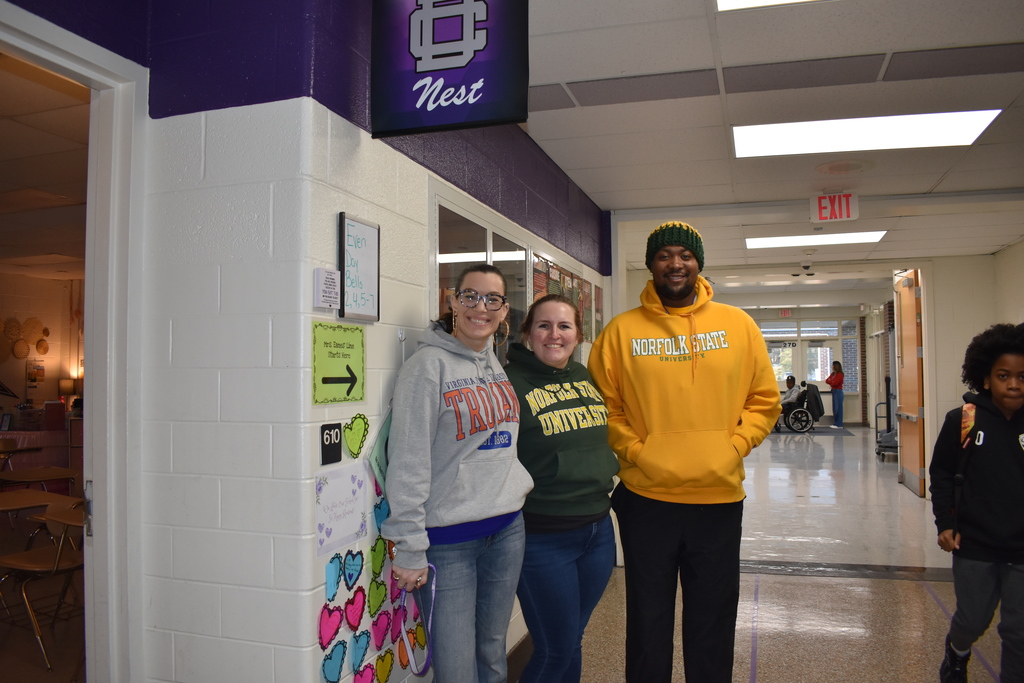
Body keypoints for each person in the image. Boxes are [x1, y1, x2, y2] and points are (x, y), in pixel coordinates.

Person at [588, 221, 781, 683]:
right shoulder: (620, 332)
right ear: (651, 265)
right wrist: (639, 450)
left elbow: (764, 401)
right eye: (664, 255)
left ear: (698, 263)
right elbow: (604, 407)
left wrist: (732, 447)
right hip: (646, 498)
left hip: (717, 499)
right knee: (647, 619)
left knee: (713, 620)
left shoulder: (739, 325)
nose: (676, 264)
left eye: (685, 255)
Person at [381, 264, 534, 683]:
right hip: (450, 543)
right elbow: (408, 462)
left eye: (492, 300)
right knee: (456, 667)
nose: (479, 308)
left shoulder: (494, 364)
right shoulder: (427, 368)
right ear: (452, 301)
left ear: (504, 311)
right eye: (470, 296)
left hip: (506, 530)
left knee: (492, 652)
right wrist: (409, 547)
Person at [504, 294, 619, 683]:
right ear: (527, 333)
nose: (555, 335)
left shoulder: (584, 376)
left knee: (573, 640)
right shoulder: (510, 385)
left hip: (598, 531)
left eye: (564, 326)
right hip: (542, 536)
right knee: (554, 650)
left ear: (578, 335)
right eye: (544, 325)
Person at [929, 323, 1024, 683]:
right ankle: (957, 650)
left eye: (1022, 376)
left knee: (1018, 631)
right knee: (973, 620)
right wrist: (945, 523)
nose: (1013, 384)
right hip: (974, 544)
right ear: (986, 378)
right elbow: (940, 474)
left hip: (1022, 547)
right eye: (1003, 375)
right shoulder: (964, 421)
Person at [825, 360, 845, 428]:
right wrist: (832, 382)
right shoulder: (833, 374)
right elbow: (827, 380)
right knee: (835, 408)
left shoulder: (840, 375)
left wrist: (832, 382)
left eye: (833, 365)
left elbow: (835, 383)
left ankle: (839, 424)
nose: (832, 367)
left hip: (838, 391)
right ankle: (836, 423)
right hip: (833, 391)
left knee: (838, 408)